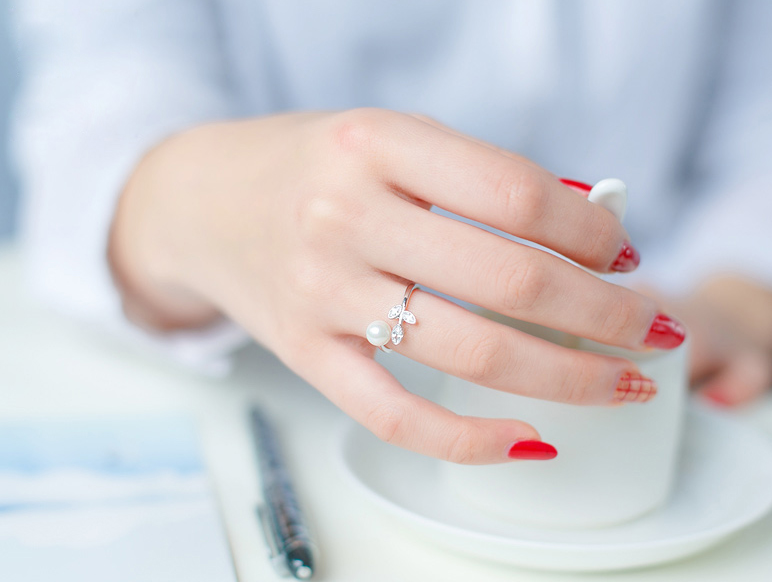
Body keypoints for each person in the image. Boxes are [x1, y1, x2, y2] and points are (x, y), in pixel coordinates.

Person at [10, 1, 772, 464]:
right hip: (282, 398)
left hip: (681, 377)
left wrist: (739, 281)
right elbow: (96, 105)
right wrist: (211, 198)